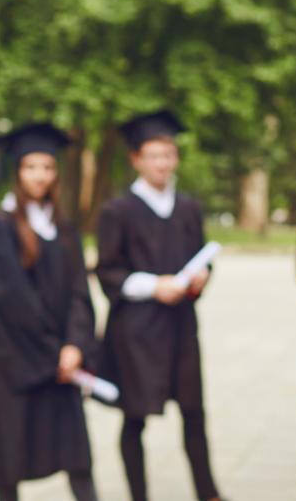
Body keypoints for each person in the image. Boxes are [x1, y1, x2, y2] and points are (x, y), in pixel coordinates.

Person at [94, 111, 223, 501]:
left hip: (181, 324)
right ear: (136, 159)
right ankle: (139, 495)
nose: (162, 163)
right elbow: (108, 272)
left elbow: (203, 257)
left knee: (194, 412)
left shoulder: (188, 208)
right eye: (154, 155)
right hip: (136, 329)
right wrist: (155, 286)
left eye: (168, 154)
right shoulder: (117, 211)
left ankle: (208, 492)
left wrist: (201, 278)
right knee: (135, 416)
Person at [0, 123, 99, 501]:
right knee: (9, 461)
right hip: (9, 359)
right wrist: (54, 351)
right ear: (17, 172)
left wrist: (75, 345)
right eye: (31, 167)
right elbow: (13, 299)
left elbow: (80, 292)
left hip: (59, 357)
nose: (40, 175)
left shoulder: (64, 228)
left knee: (77, 456)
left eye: (47, 167)